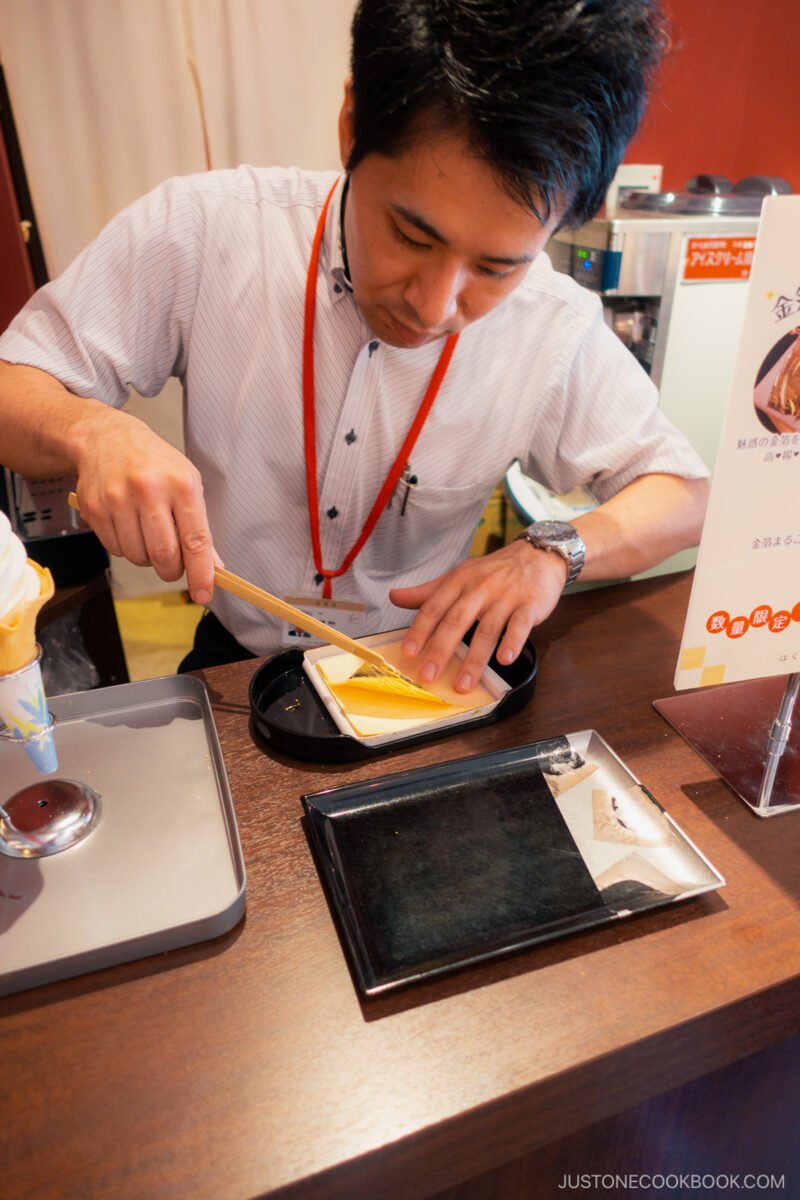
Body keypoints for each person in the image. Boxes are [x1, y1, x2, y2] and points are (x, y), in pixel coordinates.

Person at [0, 0, 709, 690]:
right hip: (235, 661)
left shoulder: (552, 323)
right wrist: (90, 430)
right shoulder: (206, 230)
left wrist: (553, 551)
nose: (434, 308)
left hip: (411, 665)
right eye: (411, 235)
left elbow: (686, 493)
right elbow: (12, 384)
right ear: (350, 126)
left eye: (497, 267)